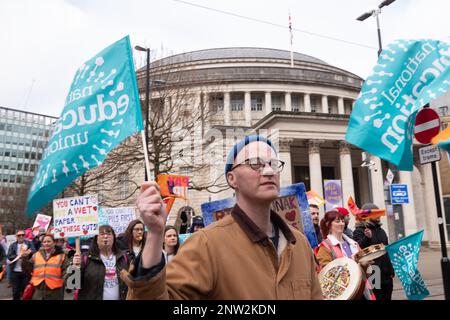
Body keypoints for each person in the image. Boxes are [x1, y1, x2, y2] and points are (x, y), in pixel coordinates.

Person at [125, 135, 322, 299]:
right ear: (232, 179)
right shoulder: (206, 244)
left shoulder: (300, 244)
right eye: (255, 164)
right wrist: (155, 235)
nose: (269, 171)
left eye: (273, 164)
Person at [315, 210, 375, 300]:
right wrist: (352, 261)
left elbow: (366, 272)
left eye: (342, 220)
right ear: (329, 225)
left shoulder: (353, 244)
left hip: (362, 290)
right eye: (337, 221)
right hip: (342, 295)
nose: (342, 223)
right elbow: (326, 275)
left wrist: (366, 265)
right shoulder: (324, 247)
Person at [72, 225, 130, 300]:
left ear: (114, 238)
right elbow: (72, 284)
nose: (105, 236)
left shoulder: (124, 257)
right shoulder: (85, 258)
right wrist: (75, 268)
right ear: (96, 238)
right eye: (102, 234)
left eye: (109, 234)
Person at [353, 203, 395, 300]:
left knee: (387, 296)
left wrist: (391, 270)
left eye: (379, 213)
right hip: (373, 272)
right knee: (376, 297)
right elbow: (358, 249)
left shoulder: (382, 231)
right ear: (367, 216)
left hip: (386, 273)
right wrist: (367, 237)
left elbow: (386, 251)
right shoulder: (359, 231)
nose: (379, 216)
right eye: (375, 213)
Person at [28, 233, 69, 300]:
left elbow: (66, 271)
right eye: (44, 242)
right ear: (42, 243)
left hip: (54, 292)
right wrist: (23, 258)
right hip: (39, 291)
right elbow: (27, 269)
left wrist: (69, 282)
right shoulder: (36, 255)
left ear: (54, 243)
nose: (46, 243)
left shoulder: (62, 256)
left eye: (49, 241)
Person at [7, 230, 35, 300]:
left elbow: (34, 251)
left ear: (25, 236)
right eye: (19, 235)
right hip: (15, 271)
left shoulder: (29, 243)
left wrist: (29, 253)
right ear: (16, 237)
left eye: (23, 235)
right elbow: (9, 256)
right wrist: (18, 256)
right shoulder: (12, 245)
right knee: (15, 290)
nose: (21, 236)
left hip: (26, 271)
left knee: (25, 290)